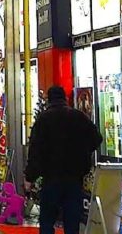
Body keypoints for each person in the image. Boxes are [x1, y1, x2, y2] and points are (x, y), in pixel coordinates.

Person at [24, 86, 102, 234]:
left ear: (49, 99)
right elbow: (97, 139)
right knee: (72, 221)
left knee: (47, 220)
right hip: (74, 178)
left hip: (50, 177)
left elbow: (35, 151)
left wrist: (30, 177)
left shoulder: (43, 119)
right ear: (65, 98)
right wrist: (83, 152)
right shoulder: (79, 117)